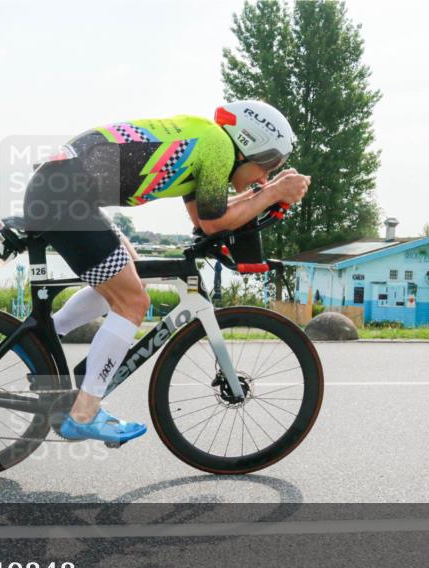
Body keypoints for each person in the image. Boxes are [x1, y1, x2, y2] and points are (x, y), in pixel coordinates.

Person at [23, 100, 311, 445]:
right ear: (248, 145)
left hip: (62, 190)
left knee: (131, 276)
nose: (264, 177)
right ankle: (83, 413)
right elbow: (213, 222)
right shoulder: (218, 147)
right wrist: (274, 192)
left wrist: (266, 193)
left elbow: (207, 216)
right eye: (268, 166)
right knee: (132, 303)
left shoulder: (207, 142)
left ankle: (42, 336)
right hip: (66, 196)